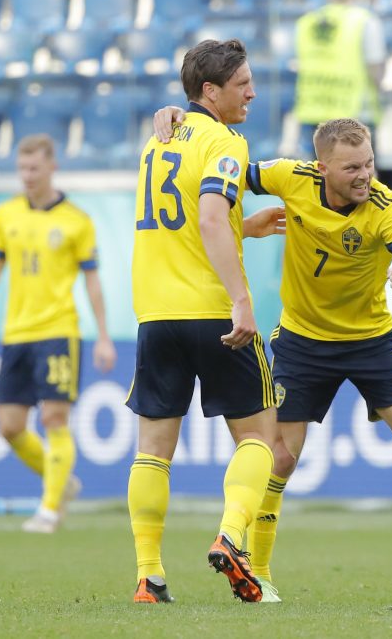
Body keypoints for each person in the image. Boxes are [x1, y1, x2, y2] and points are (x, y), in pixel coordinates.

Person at [152, 110, 392, 603]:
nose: (364, 175)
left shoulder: (385, 207)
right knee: (280, 458)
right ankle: (259, 574)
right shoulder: (290, 177)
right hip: (303, 341)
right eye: (352, 168)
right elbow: (216, 177)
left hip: (372, 341)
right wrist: (185, 125)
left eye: (369, 163)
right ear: (322, 167)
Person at [126, 38, 283, 605]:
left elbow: (191, 220)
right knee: (261, 438)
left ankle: (149, 576)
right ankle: (231, 536)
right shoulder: (227, 142)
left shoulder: (157, 140)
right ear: (210, 92)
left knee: (152, 451)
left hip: (156, 313)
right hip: (215, 312)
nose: (253, 93)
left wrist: (248, 225)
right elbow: (212, 219)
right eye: (243, 84)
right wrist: (242, 299)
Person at [0, 133, 117, 535]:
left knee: (54, 417)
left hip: (58, 331)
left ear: (53, 167)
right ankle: (61, 482)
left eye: (34, 168)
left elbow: (93, 282)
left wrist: (102, 335)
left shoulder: (76, 221)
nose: (27, 176)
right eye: (21, 169)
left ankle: (49, 510)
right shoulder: (5, 215)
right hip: (16, 333)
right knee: (10, 427)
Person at [292, 0, 385, 160]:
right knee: (357, 183)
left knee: (317, 183)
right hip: (354, 116)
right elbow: (375, 72)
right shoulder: (366, 22)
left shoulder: (306, 22)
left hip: (313, 112)